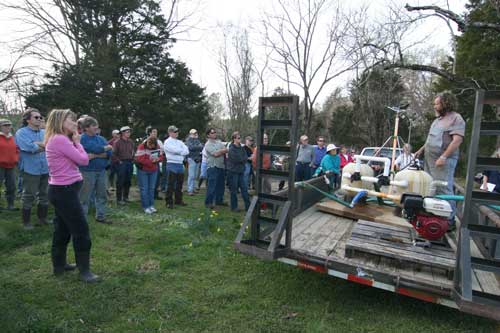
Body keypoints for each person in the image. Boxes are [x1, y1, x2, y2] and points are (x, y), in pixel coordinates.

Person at [44, 109, 100, 283]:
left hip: (62, 191)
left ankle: (59, 266)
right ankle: (85, 272)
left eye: (75, 120)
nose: (75, 123)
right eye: (71, 120)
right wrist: (78, 142)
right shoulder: (60, 139)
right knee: (81, 230)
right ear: (60, 121)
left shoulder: (58, 139)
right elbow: (83, 160)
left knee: (62, 229)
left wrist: (75, 141)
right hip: (64, 191)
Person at [414, 92, 465, 227]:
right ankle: (434, 214)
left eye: (437, 104)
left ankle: (450, 220)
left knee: (444, 188)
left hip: (443, 160)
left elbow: (457, 141)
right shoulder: (437, 120)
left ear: (445, 104)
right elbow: (430, 139)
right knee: (431, 186)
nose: (434, 106)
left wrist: (444, 156)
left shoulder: (456, 119)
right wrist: (421, 150)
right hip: (430, 159)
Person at [15, 108, 49, 229]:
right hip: (30, 169)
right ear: (28, 119)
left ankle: (42, 219)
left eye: (40, 117)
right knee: (29, 195)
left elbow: (50, 145)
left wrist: (37, 143)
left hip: (45, 168)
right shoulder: (21, 133)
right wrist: (41, 145)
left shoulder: (44, 132)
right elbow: (28, 147)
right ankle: (26, 222)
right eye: (36, 117)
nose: (39, 119)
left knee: (44, 194)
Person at [79, 117, 113, 224]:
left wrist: (94, 155)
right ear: (86, 128)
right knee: (85, 197)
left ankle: (101, 216)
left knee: (102, 194)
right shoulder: (82, 139)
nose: (96, 128)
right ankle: (82, 220)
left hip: (102, 171)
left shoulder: (101, 138)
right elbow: (96, 149)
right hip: (87, 171)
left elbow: (109, 153)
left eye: (96, 125)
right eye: (94, 126)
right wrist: (104, 149)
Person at [135, 136, 164, 213]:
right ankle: (145, 206)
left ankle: (151, 205)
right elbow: (139, 159)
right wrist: (152, 162)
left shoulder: (157, 146)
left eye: (152, 146)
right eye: (149, 145)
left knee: (152, 188)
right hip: (143, 171)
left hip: (153, 170)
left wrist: (158, 159)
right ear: (147, 142)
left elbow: (161, 156)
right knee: (144, 189)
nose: (151, 147)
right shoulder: (141, 147)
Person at [163, 125, 189, 209]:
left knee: (179, 184)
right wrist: (181, 151)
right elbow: (173, 150)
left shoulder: (180, 142)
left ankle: (178, 200)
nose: (176, 133)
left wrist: (179, 151)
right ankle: (168, 202)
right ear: (170, 132)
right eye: (174, 132)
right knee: (170, 184)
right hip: (171, 164)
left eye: (177, 131)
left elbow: (186, 151)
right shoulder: (167, 142)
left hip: (180, 164)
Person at [204, 128, 228, 209]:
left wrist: (220, 151)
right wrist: (222, 151)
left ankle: (219, 201)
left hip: (221, 166)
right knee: (212, 186)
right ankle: (208, 202)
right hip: (212, 167)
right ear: (208, 135)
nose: (214, 133)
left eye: (215, 132)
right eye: (212, 133)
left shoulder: (219, 142)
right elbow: (215, 154)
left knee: (221, 186)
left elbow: (226, 150)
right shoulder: (207, 144)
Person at [227, 132, 250, 212]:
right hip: (233, 172)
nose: (240, 139)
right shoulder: (231, 149)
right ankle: (234, 207)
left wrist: (243, 159)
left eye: (240, 137)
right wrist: (242, 159)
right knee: (234, 190)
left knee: (244, 189)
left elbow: (245, 157)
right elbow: (237, 159)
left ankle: (248, 206)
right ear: (234, 139)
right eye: (238, 138)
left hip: (241, 171)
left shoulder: (242, 148)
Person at [0, 119, 19, 211]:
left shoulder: (12, 137)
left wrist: (16, 158)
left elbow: (16, 150)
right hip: (0, 166)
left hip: (11, 165)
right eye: (5, 125)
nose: (8, 127)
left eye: (9, 125)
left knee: (11, 186)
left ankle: (10, 205)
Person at [112, 126, 135, 205]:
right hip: (121, 163)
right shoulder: (117, 142)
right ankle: (119, 199)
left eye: (129, 132)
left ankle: (126, 197)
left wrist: (132, 159)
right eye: (127, 132)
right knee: (120, 181)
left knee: (128, 181)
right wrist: (119, 161)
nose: (129, 133)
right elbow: (113, 154)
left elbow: (132, 152)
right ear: (122, 133)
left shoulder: (131, 142)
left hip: (129, 162)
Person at [186, 128, 203, 195]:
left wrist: (196, 147)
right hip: (191, 158)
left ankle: (193, 188)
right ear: (190, 134)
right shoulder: (188, 140)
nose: (195, 134)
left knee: (196, 175)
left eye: (195, 133)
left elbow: (202, 147)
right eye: (193, 133)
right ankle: (190, 190)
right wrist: (197, 147)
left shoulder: (197, 140)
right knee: (191, 175)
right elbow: (191, 148)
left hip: (198, 159)